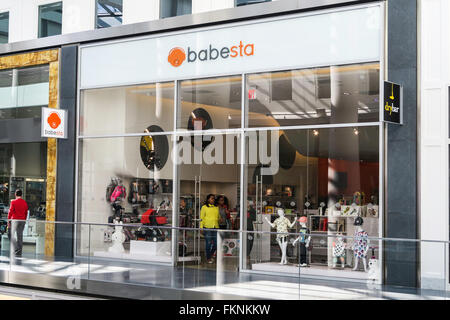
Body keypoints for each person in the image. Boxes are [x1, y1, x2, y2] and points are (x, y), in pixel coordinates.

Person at [8, 189, 28, 258]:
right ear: (21, 195)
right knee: (20, 235)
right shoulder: (24, 202)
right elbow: (26, 212)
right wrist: (24, 220)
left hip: (15, 220)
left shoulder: (13, 202)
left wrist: (8, 221)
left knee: (10, 234)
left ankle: (16, 248)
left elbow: (10, 212)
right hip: (22, 220)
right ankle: (19, 251)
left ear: (15, 194)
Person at [200, 194, 219, 264]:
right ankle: (208, 258)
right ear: (208, 199)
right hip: (207, 227)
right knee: (208, 243)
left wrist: (220, 219)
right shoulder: (204, 207)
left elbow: (217, 216)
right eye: (211, 198)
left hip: (215, 227)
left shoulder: (216, 207)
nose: (213, 199)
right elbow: (201, 218)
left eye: (214, 198)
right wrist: (201, 227)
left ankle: (210, 255)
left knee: (217, 243)